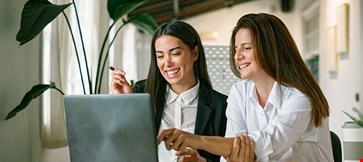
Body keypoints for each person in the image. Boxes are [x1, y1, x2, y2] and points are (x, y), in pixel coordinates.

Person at [157, 13, 334, 162]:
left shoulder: (301, 99)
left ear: (271, 49)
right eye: (236, 49)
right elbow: (236, 155)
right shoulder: (239, 92)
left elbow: (263, 145)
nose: (237, 56)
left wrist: (197, 140)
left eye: (246, 48)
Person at [111, 21, 228, 162]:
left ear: (195, 53)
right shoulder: (141, 94)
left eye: (175, 53)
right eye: (160, 56)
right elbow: (123, 147)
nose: (167, 63)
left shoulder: (221, 106)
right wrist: (124, 103)